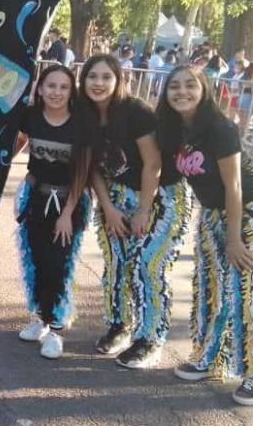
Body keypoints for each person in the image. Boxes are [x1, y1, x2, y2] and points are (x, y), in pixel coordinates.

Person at [157, 65, 253, 406]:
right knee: (210, 291)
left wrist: (234, 238)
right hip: (213, 214)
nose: (181, 91)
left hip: (250, 214)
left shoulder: (219, 127)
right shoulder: (174, 131)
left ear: (204, 89)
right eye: (174, 86)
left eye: (189, 85)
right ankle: (211, 356)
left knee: (250, 293)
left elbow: (235, 185)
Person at [80, 54, 191, 369]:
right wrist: (108, 207)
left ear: (118, 80)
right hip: (115, 196)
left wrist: (143, 209)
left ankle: (150, 339)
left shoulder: (135, 111)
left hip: (161, 196)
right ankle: (120, 325)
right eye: (92, 77)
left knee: (147, 266)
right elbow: (92, 169)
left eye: (105, 77)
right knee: (116, 263)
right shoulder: (85, 116)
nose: (98, 83)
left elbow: (153, 163)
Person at [13, 64, 92, 359]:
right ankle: (39, 318)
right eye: (51, 86)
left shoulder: (80, 123)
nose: (56, 92)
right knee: (35, 261)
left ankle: (57, 330)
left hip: (67, 203)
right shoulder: (31, 116)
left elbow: (82, 173)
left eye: (63, 87)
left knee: (59, 265)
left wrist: (66, 213)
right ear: (41, 88)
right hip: (35, 199)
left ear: (71, 91)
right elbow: (20, 142)